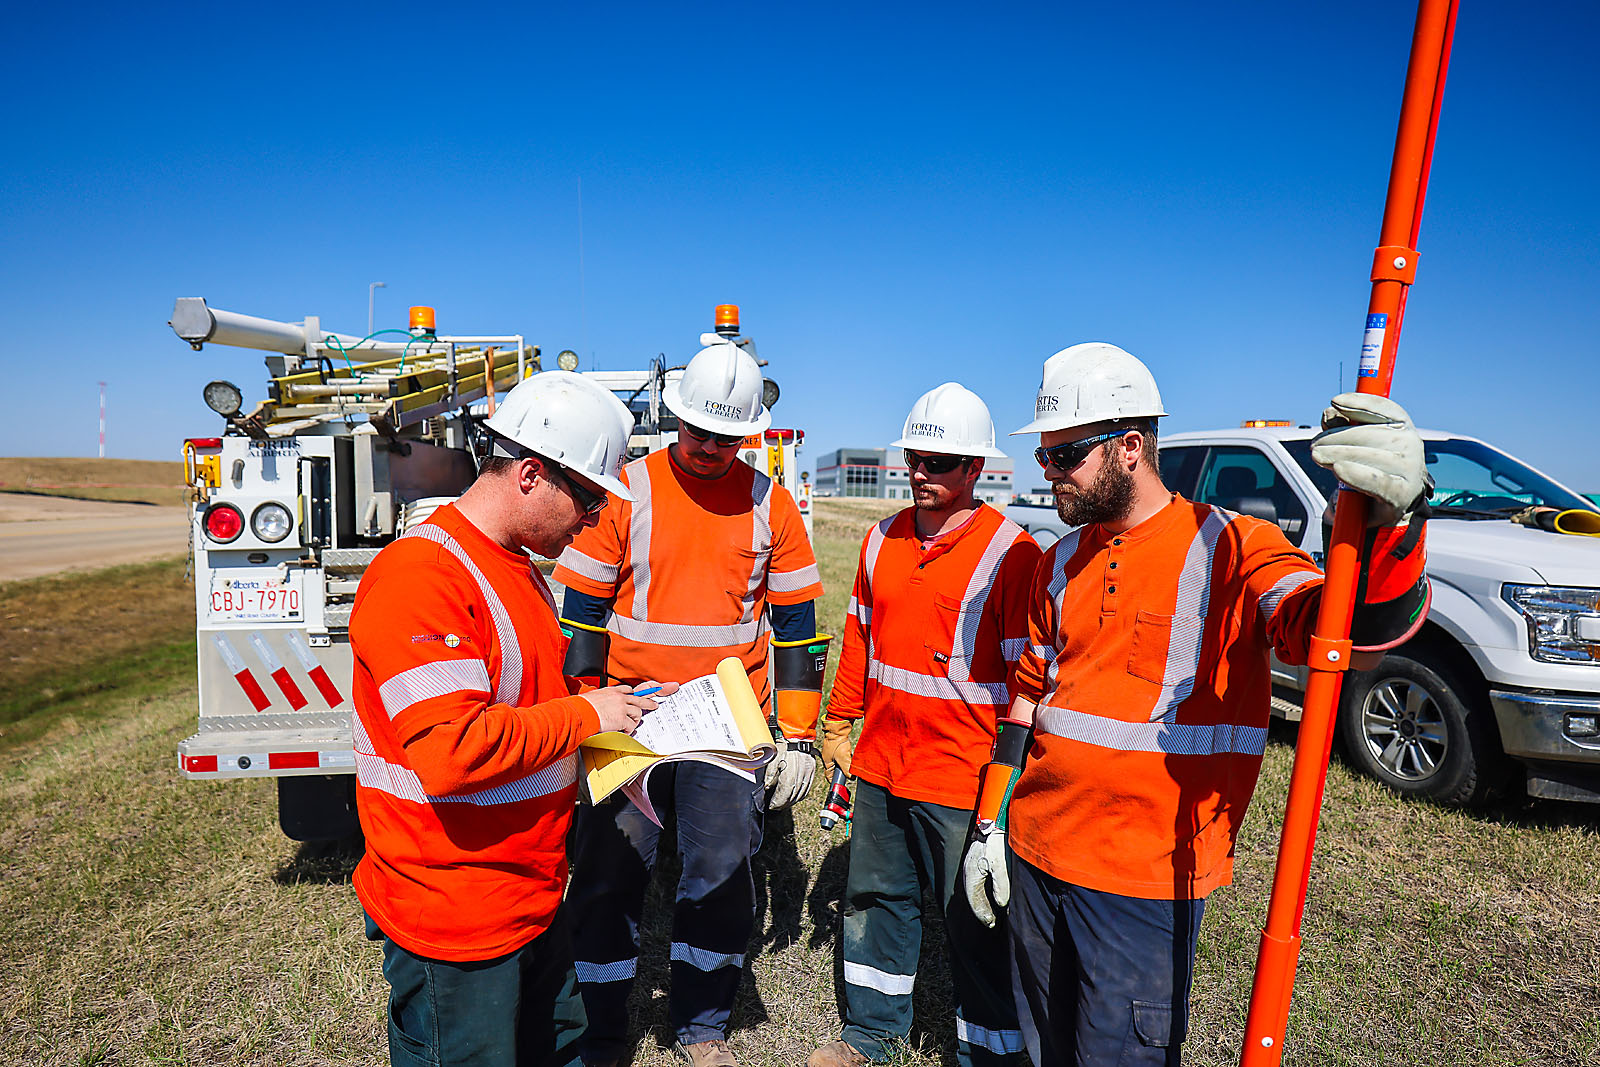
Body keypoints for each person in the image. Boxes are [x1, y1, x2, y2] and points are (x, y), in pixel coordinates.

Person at [961, 343, 1432, 1067]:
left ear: (1129, 447)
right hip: (1035, 854)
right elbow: (1026, 702)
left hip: (1144, 878)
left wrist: (1394, 530)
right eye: (1044, 455)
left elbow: (1337, 635)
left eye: (1066, 455)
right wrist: (991, 823)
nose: (1048, 471)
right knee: (1045, 1048)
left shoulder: (1234, 547)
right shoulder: (1058, 561)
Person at [350, 371, 674, 1067]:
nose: (594, 519)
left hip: (528, 893)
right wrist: (586, 712)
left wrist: (626, 713)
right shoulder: (423, 576)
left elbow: (535, 702)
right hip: (456, 909)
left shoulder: (518, 570)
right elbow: (451, 752)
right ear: (531, 474)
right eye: (589, 498)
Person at [552, 325, 827, 1067]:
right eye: (699, 430)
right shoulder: (627, 490)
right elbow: (581, 619)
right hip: (629, 714)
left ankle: (702, 1028)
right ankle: (602, 1032)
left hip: (726, 721)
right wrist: (581, 718)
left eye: (726, 436)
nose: (709, 447)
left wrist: (800, 737)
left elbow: (798, 631)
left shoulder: (770, 504)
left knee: (721, 875)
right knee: (608, 873)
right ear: (676, 415)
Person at [808, 384, 1040, 1067]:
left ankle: (990, 1053)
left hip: (962, 773)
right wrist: (839, 721)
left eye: (938, 463)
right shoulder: (881, 539)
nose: (920, 473)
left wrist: (1008, 781)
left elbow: (1026, 682)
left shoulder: (1012, 553)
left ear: (975, 468)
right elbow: (860, 637)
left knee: (976, 919)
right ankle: (871, 1033)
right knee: (875, 899)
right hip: (882, 763)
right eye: (914, 459)